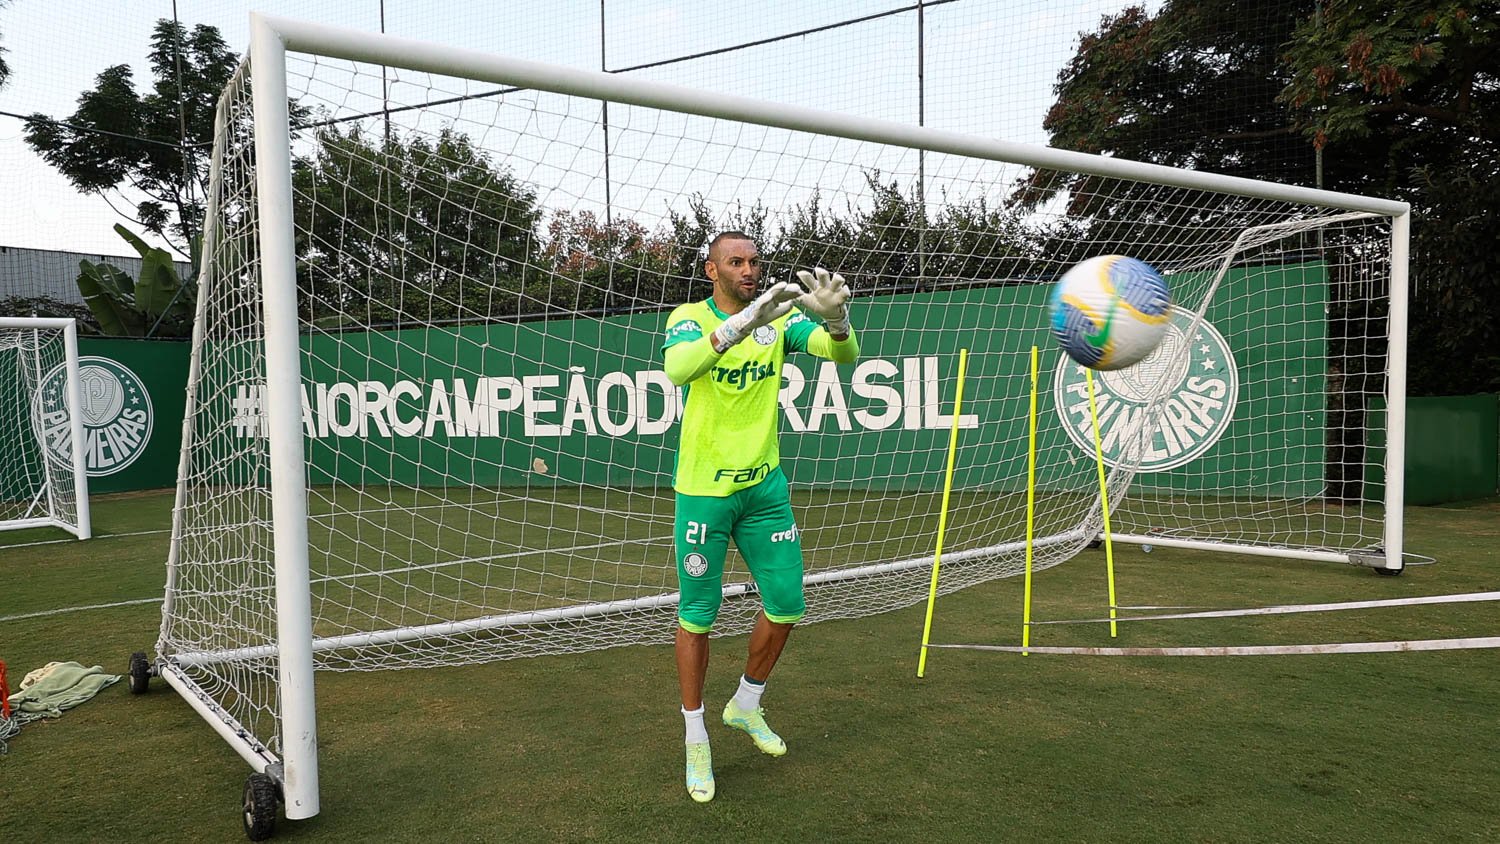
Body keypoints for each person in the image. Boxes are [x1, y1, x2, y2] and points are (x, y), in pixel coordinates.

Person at [660, 230, 860, 802]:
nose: (749, 270)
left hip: (764, 489)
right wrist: (743, 324)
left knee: (788, 603)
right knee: (698, 614)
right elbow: (680, 369)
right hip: (704, 491)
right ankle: (696, 738)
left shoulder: (779, 317)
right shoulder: (689, 317)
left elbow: (842, 354)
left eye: (754, 261)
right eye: (736, 262)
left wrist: (837, 320)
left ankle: (745, 704)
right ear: (712, 270)